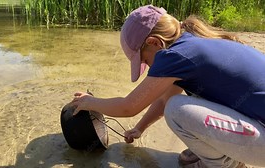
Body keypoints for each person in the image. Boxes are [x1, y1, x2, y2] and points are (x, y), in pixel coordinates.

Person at [71, 5, 265, 168]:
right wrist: (140, 128)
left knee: (177, 109)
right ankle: (219, 154)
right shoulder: (192, 43)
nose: (148, 67)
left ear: (154, 42)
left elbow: (128, 106)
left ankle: (226, 164)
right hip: (257, 130)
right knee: (180, 102)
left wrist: (90, 102)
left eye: (145, 60)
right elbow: (163, 100)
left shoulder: (173, 56)